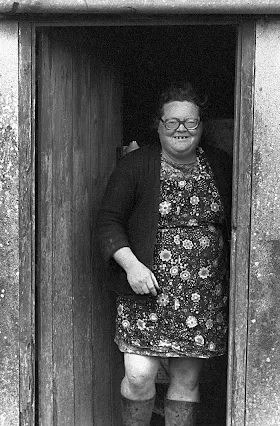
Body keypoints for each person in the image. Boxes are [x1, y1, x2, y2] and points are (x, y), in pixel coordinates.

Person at [96, 81, 232, 426]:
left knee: (186, 382)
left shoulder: (220, 165)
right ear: (158, 125)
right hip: (146, 290)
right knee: (140, 376)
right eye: (172, 121)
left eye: (190, 122)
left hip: (200, 295)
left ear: (202, 127)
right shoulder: (135, 165)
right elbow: (108, 221)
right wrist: (132, 267)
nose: (181, 129)